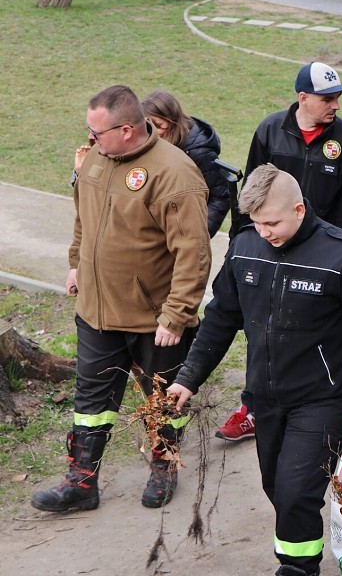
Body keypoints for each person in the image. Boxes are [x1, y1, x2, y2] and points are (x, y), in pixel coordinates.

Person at [167, 164, 342, 576]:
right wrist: (188, 377)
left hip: (324, 399)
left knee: (294, 493)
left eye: (272, 222)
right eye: (256, 223)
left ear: (299, 208)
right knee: (277, 488)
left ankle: (297, 569)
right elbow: (220, 319)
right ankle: (299, 553)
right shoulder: (244, 247)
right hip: (266, 397)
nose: (264, 231)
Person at [31, 85, 211, 513]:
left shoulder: (175, 174)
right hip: (96, 310)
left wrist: (177, 314)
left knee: (162, 401)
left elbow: (194, 251)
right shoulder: (97, 157)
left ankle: (164, 467)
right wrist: (76, 262)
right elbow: (84, 216)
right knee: (91, 403)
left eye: (98, 133)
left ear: (127, 130)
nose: (89, 141)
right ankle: (81, 482)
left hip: (154, 320)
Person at [218, 61, 342, 442]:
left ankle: (317, 403)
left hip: (318, 256)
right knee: (260, 329)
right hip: (268, 249)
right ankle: (252, 406)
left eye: (338, 97)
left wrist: (333, 255)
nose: (336, 105)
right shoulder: (270, 130)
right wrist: (244, 242)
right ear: (303, 98)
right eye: (328, 98)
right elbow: (251, 191)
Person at [142, 90, 232, 238]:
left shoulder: (199, 152)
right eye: (147, 125)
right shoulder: (150, 142)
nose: (154, 132)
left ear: (173, 121)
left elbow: (221, 196)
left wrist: (198, 236)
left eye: (158, 125)